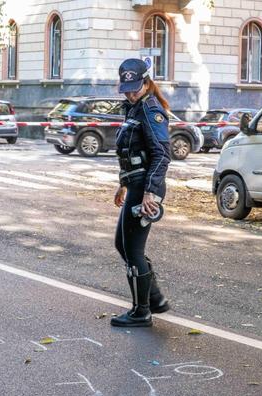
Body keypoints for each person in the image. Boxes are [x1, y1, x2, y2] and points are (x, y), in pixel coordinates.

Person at [110, 58, 171, 328]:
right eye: (127, 87)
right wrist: (122, 183)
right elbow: (129, 152)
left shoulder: (149, 110)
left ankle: (141, 311)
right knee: (123, 245)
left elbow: (161, 154)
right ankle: (154, 299)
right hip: (134, 185)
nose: (130, 92)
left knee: (132, 249)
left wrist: (150, 193)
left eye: (135, 87)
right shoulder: (133, 109)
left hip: (145, 188)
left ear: (146, 83)